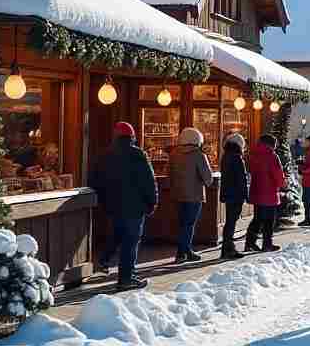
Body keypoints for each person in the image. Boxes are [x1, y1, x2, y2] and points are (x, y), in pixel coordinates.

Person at [91, 122, 157, 290]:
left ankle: (108, 263)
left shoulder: (106, 155)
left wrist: (104, 202)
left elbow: (97, 180)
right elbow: (148, 181)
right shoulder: (137, 155)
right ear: (132, 137)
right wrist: (152, 202)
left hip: (114, 206)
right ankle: (126, 277)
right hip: (135, 206)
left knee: (118, 235)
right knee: (131, 241)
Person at [170, 127, 216, 264]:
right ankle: (182, 252)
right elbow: (208, 178)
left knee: (182, 223)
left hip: (177, 194)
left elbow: (169, 175)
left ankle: (185, 251)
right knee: (189, 224)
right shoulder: (198, 155)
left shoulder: (173, 154)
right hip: (194, 195)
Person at [245, 134, 286, 253]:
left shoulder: (253, 154)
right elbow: (277, 173)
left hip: (256, 190)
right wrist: (283, 184)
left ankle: (250, 242)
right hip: (269, 192)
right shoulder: (272, 156)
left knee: (257, 219)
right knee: (269, 221)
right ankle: (267, 244)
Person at [219, 133, 249, 260]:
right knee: (231, 222)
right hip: (236, 194)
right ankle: (228, 249)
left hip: (228, 193)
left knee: (229, 222)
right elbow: (241, 179)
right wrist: (246, 195)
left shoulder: (226, 156)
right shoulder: (237, 158)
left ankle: (227, 248)